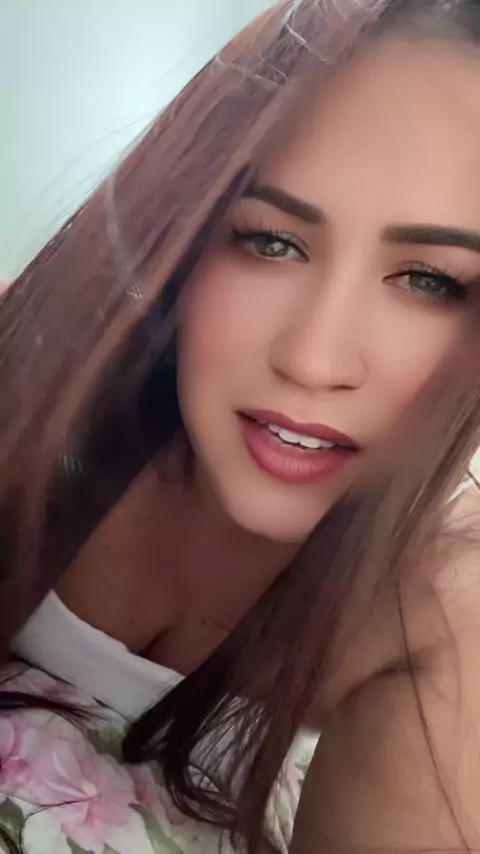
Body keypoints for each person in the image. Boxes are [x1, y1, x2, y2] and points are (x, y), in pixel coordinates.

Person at [3, 0, 480, 851]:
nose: (314, 358)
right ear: (186, 238)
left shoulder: (445, 606)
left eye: (430, 280)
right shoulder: (39, 384)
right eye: (271, 242)